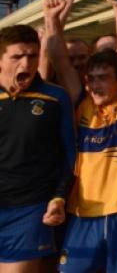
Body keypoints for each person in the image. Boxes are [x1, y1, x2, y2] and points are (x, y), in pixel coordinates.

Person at [59, 49, 117, 273]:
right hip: (82, 210)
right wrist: (53, 22)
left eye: (103, 78)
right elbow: (62, 63)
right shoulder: (83, 105)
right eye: (91, 78)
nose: (95, 84)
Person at [0, 17, 76, 270]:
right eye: (17, 57)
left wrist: (58, 197)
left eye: (33, 56)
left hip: (29, 209)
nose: (27, 63)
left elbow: (68, 153)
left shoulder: (55, 97)